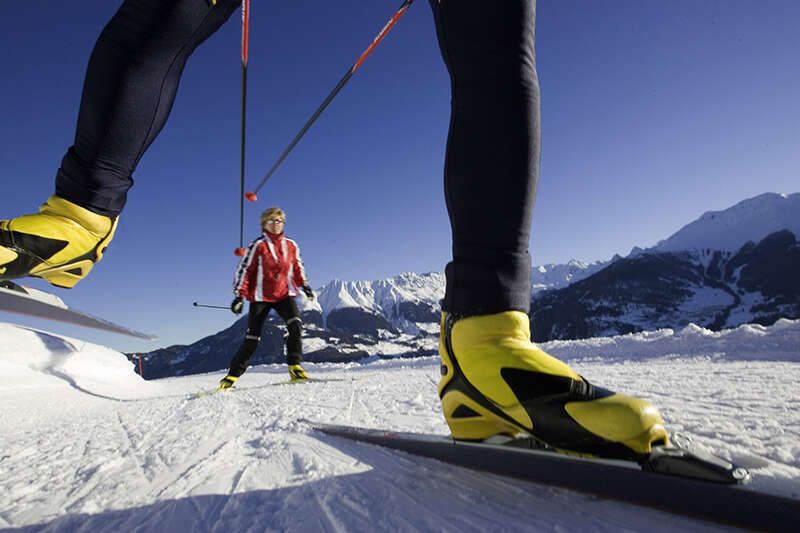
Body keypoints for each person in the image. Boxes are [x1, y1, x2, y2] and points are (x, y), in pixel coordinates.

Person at [0, 0, 668, 458]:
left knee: (493, 28)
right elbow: (253, 273)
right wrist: (241, 289)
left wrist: (306, 286)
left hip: (283, 290)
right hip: (263, 291)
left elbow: (293, 268)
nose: (278, 223)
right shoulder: (267, 248)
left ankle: (486, 341)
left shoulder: (285, 246)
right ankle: (79, 218)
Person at [219, 207, 315, 389]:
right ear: (264, 224)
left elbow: (297, 267)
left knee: (295, 325)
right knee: (252, 339)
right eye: (272, 221)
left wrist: (305, 285)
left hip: (284, 294)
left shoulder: (291, 245)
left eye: (279, 221)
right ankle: (231, 376)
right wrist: (239, 296)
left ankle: (295, 366)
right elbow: (244, 271)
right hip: (260, 297)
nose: (276, 224)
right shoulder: (258, 246)